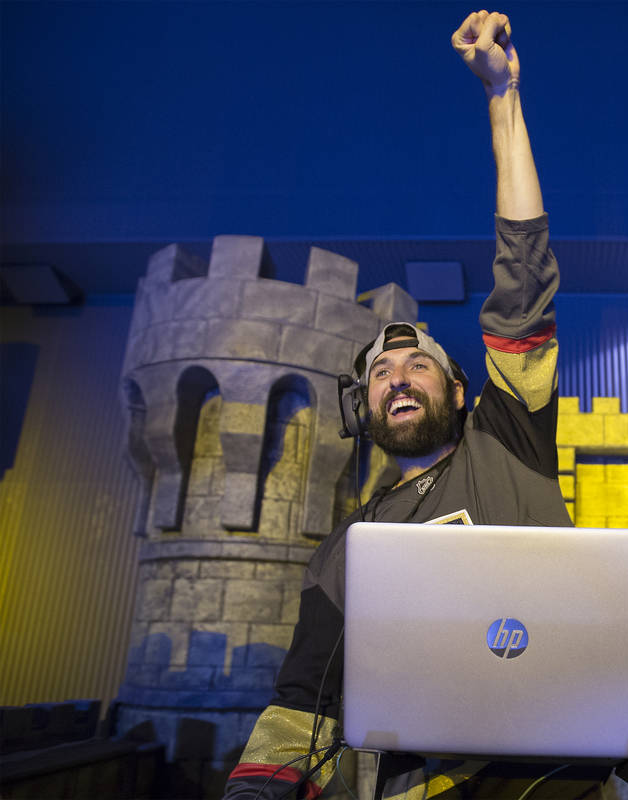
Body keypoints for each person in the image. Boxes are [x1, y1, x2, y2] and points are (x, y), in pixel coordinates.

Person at [222, 10, 593, 799]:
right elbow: (302, 706)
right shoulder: (346, 547)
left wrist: (504, 97)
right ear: (363, 407)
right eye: (381, 370)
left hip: (551, 776)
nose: (396, 376)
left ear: (460, 390)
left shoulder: (507, 439)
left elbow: (524, 275)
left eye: (417, 362)